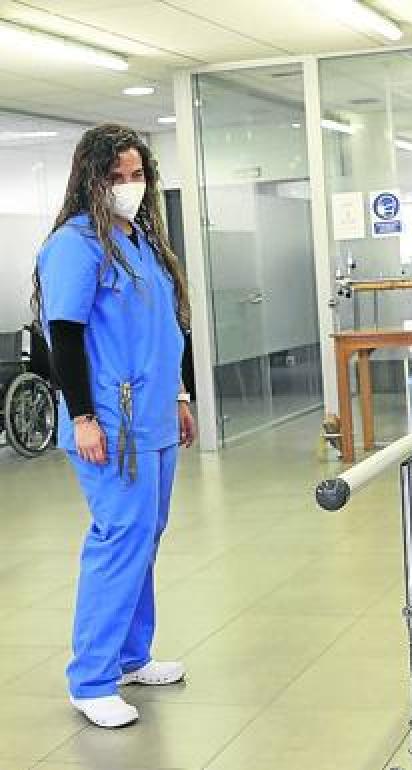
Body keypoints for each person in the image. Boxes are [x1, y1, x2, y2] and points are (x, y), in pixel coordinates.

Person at [33, 124, 196, 728]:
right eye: (116, 177)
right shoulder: (77, 244)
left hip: (153, 416)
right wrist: (81, 417)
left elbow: (163, 329)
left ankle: (132, 656)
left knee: (145, 535)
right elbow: (65, 337)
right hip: (109, 422)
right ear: (91, 180)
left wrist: (180, 395)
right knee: (119, 537)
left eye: (137, 176)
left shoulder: (140, 242)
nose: (129, 187)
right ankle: (91, 677)